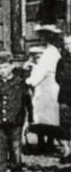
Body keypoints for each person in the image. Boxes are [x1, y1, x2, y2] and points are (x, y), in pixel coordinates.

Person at [27, 24, 61, 153]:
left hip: (49, 85)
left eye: (45, 35)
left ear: (50, 37)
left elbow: (42, 70)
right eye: (41, 35)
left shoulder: (51, 52)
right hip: (43, 85)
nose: (42, 38)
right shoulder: (45, 51)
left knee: (49, 113)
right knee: (40, 113)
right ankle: (42, 142)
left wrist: (30, 81)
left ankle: (49, 142)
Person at [56, 34, 71, 164]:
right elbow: (58, 78)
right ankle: (67, 151)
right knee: (65, 125)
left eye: (70, 44)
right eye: (66, 44)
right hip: (65, 97)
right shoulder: (62, 61)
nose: (68, 47)